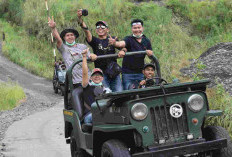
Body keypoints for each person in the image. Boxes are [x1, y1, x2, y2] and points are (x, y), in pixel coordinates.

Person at [77, 9, 123, 92]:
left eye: (102, 27)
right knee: (105, 94)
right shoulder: (95, 41)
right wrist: (80, 18)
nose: (100, 28)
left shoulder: (112, 39)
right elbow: (86, 31)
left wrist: (122, 51)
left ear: (107, 29)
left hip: (114, 71)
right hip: (101, 74)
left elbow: (123, 47)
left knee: (119, 92)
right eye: (98, 27)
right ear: (96, 30)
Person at [48, 16, 97, 88]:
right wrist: (53, 28)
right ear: (64, 38)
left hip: (88, 78)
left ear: (75, 37)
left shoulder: (82, 46)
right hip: (74, 82)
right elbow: (58, 39)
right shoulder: (64, 48)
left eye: (71, 35)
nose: (70, 37)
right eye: (67, 36)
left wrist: (93, 56)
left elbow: (89, 57)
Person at [109, 19, 153, 90]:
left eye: (139, 28)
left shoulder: (146, 40)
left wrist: (150, 54)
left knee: (142, 92)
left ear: (142, 28)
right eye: (135, 28)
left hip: (140, 73)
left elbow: (151, 56)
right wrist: (114, 43)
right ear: (132, 29)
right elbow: (122, 43)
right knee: (128, 93)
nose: (137, 30)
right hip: (127, 73)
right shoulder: (129, 39)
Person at [81, 49, 111, 124]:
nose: (97, 76)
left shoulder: (106, 90)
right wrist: (84, 57)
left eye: (99, 75)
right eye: (95, 75)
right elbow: (84, 73)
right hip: (90, 114)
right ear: (90, 77)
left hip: (104, 113)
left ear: (102, 78)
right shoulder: (87, 86)